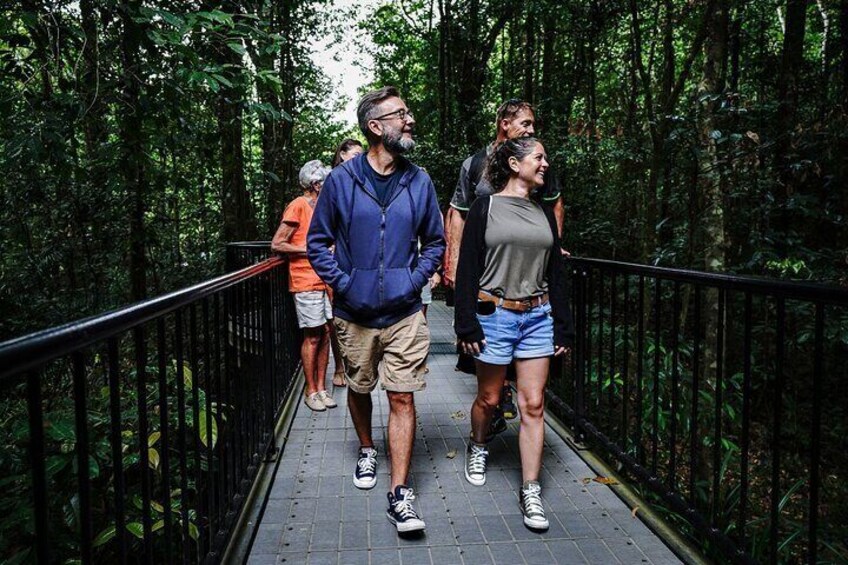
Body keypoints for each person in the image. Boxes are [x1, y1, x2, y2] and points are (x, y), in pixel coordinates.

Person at [307, 86, 445, 534]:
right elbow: (317, 243)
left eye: (408, 112)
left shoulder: (419, 180)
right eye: (400, 114)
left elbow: (437, 242)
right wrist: (346, 284)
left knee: (402, 395)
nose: (409, 121)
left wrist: (413, 279)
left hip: (405, 312)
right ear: (375, 126)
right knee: (361, 387)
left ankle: (400, 493)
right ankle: (367, 448)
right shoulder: (342, 182)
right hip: (354, 313)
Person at [454, 137, 574, 531]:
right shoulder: (485, 207)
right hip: (495, 317)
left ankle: (531, 489)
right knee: (489, 400)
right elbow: (468, 266)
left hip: (538, 317)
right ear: (513, 162)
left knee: (534, 405)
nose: (545, 164)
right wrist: (465, 322)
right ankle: (478, 443)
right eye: (539, 157)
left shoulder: (542, 213)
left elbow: (555, 271)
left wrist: (563, 325)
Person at [444, 99, 565, 429]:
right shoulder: (475, 164)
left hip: (524, 269)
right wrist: (452, 261)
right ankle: (492, 403)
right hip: (485, 263)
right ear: (504, 124)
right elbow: (458, 213)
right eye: (525, 123)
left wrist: (554, 248)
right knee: (482, 344)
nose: (531, 129)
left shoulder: (536, 161)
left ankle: (504, 394)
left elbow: (555, 206)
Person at [271, 160, 336, 412]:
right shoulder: (298, 205)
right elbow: (278, 243)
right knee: (312, 335)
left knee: (326, 333)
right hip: (305, 280)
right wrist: (308, 250)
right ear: (316, 184)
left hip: (326, 280)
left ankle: (321, 388)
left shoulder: (322, 208)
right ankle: (310, 390)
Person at [328, 138, 365, 387]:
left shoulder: (363, 181)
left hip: (358, 262)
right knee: (336, 317)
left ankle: (357, 362)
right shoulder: (334, 181)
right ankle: (340, 366)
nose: (359, 159)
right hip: (336, 264)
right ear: (341, 155)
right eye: (354, 155)